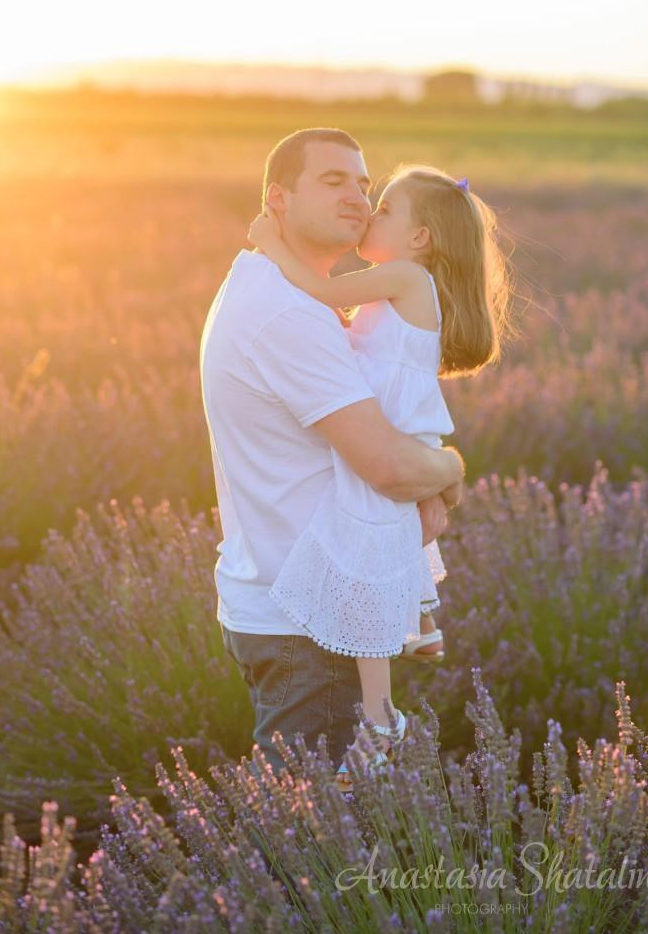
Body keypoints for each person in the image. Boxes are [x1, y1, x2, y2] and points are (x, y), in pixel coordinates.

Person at [199, 129, 465, 780]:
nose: (357, 197)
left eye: (364, 185)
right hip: (307, 626)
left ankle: (410, 643)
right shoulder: (287, 311)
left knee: (325, 824)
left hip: (301, 605)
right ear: (278, 199)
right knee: (316, 831)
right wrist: (452, 470)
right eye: (333, 180)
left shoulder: (271, 287)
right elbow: (390, 468)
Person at [247, 164, 513, 791]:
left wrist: (269, 243)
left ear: (419, 238)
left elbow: (316, 291)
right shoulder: (401, 284)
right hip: (403, 432)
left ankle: (381, 718)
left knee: (363, 566)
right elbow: (354, 338)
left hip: (395, 437)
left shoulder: (404, 276)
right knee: (384, 539)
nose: (371, 212)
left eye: (386, 208)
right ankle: (420, 626)